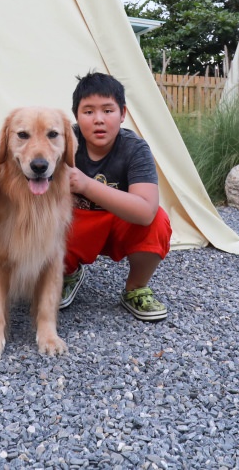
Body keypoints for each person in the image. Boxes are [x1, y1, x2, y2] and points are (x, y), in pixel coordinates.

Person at [61, 71, 173, 321]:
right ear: (76, 116)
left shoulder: (135, 148)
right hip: (77, 226)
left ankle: (135, 288)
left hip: (119, 225)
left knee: (157, 221)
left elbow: (145, 211)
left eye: (108, 111)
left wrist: (86, 185)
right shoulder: (65, 140)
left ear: (122, 114)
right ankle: (66, 274)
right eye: (88, 111)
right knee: (49, 221)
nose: (98, 119)